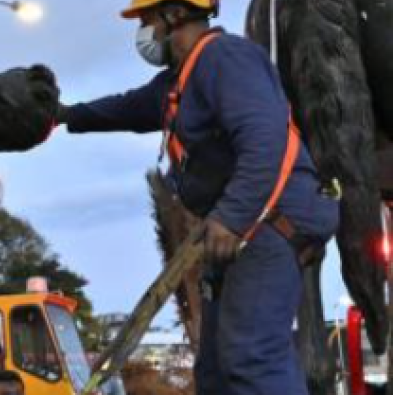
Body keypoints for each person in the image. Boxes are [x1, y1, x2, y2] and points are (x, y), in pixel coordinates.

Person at [55, 0, 339, 394]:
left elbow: (264, 138)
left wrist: (231, 216)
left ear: (174, 15)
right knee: (217, 371)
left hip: (269, 221)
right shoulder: (181, 80)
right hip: (248, 226)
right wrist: (63, 115)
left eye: (147, 19)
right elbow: (126, 108)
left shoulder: (225, 57)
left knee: (252, 354)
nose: (142, 32)